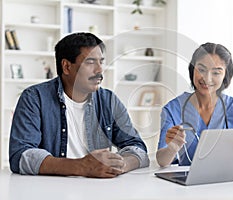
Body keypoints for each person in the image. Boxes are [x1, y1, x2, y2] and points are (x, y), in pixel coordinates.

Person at [9, 32, 149, 178]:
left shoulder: (108, 101)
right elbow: (20, 155)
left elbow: (138, 149)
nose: (99, 70)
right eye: (90, 62)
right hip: (50, 190)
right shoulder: (34, 98)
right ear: (67, 66)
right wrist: (81, 166)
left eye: (101, 61)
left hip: (99, 188)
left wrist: (119, 165)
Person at [156, 42, 233, 167]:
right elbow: (162, 160)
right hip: (188, 184)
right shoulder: (173, 109)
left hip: (229, 182)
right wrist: (172, 148)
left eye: (216, 72)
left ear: (225, 76)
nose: (207, 78)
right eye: (201, 69)